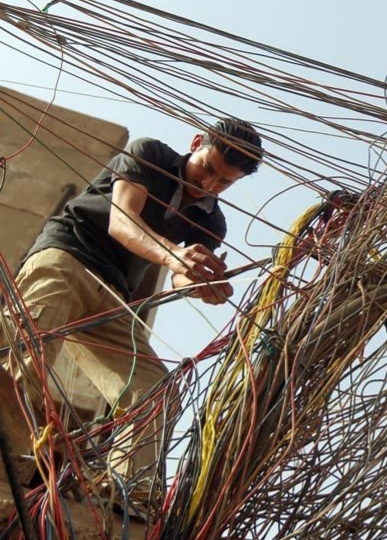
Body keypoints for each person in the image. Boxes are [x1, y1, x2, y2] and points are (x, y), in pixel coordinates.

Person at [0, 117, 263, 500]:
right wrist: (175, 255)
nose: (209, 184)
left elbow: (177, 280)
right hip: (67, 257)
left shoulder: (212, 220)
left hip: (113, 294)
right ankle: (10, 455)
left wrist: (200, 284)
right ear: (195, 142)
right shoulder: (150, 154)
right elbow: (122, 222)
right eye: (207, 168)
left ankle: (124, 495)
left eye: (224, 182)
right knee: (25, 353)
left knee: (153, 391)